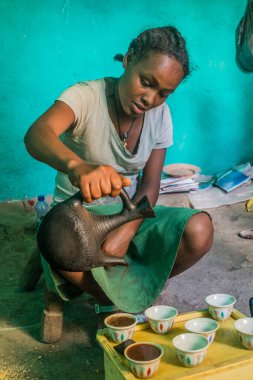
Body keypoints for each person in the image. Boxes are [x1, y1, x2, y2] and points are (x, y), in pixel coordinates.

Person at [24, 26, 213, 316]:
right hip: (77, 222)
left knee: (199, 230)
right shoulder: (85, 97)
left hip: (129, 215)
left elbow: (150, 186)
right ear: (128, 60)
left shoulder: (160, 115)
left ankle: (109, 292)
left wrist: (125, 231)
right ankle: (122, 299)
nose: (150, 99)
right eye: (146, 82)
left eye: (164, 93)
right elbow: (37, 134)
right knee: (56, 240)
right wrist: (77, 166)